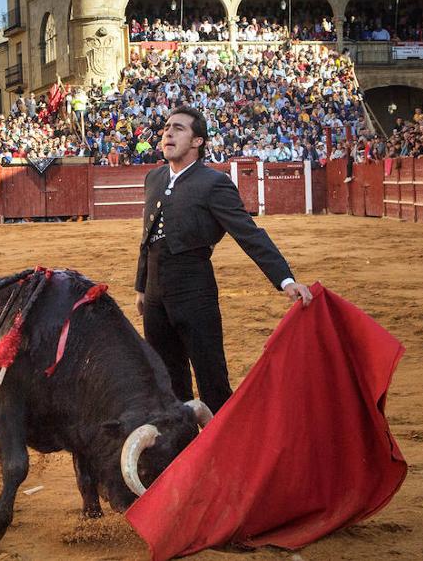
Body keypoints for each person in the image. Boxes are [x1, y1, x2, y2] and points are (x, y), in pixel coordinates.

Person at [133, 106, 312, 413]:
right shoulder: (155, 177)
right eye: (166, 128)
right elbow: (148, 238)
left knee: (211, 379)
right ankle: (185, 452)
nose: (168, 133)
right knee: (168, 381)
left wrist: (285, 279)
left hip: (195, 292)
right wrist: (141, 287)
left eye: (178, 128)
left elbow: (249, 234)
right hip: (155, 296)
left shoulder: (213, 183)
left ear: (197, 141)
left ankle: (226, 452)